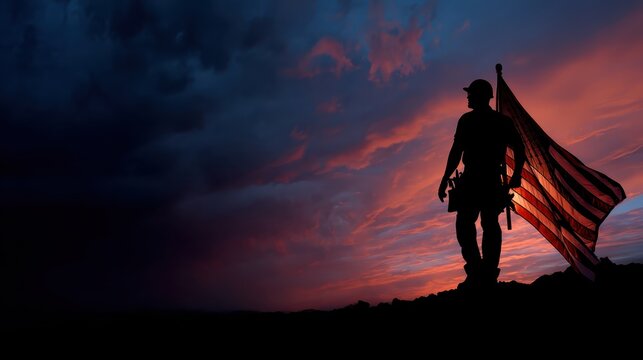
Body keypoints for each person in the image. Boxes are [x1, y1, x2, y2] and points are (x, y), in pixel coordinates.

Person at [438, 79, 525, 289]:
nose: (467, 97)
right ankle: (479, 270)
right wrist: (444, 178)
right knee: (471, 225)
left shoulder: (484, 121)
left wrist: (517, 175)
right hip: (477, 180)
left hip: (485, 179)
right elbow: (456, 151)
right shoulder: (476, 120)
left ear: (479, 96)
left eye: (470, 94)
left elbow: (519, 148)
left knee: (485, 225)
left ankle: (484, 272)